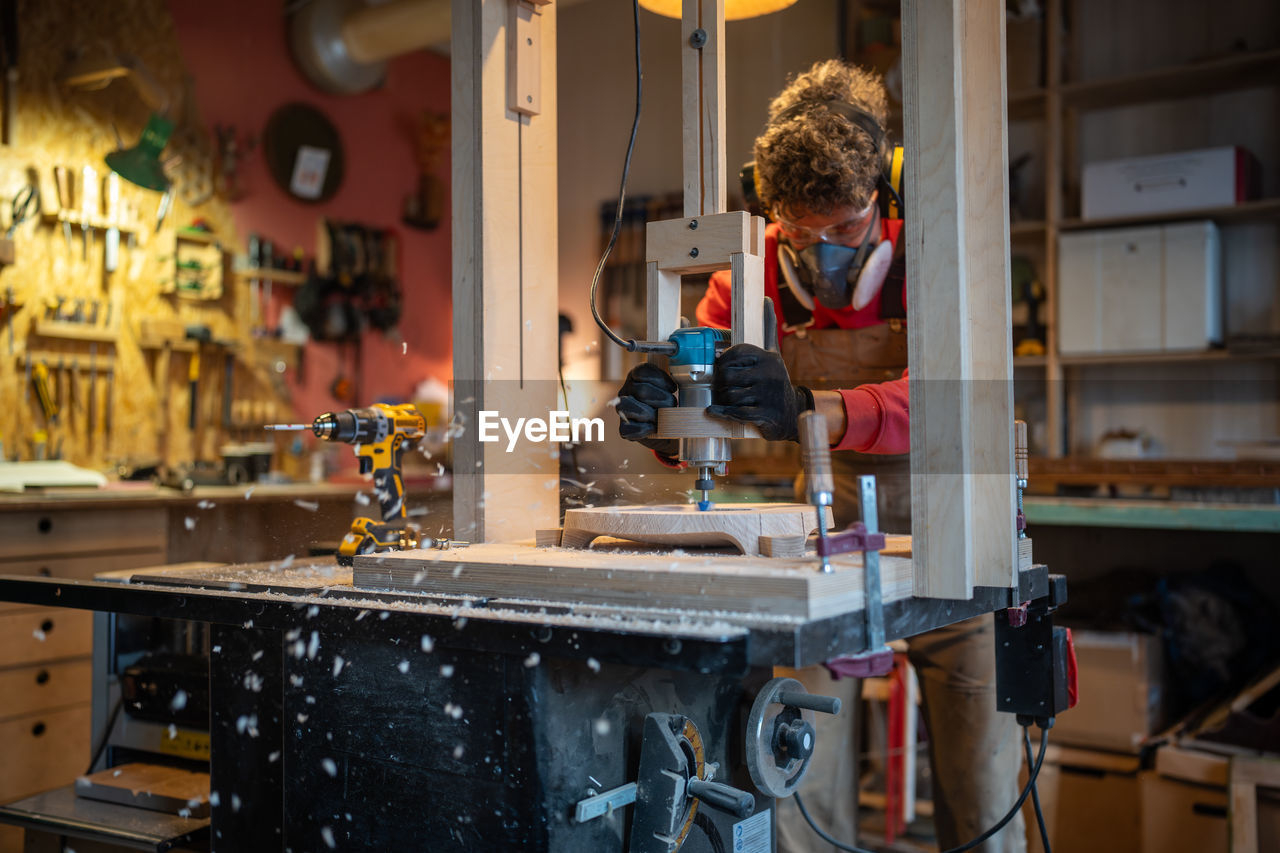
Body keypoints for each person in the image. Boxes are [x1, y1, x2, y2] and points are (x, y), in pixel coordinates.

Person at [616, 60, 1026, 852]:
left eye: (845, 226)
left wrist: (809, 408)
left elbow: (950, 400)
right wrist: (665, 417)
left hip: (962, 544)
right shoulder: (755, 272)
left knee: (984, 803)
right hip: (832, 552)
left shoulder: (934, 253)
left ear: (889, 190)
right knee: (796, 788)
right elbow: (708, 402)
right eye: (802, 230)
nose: (823, 248)